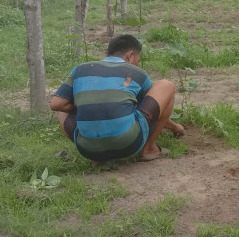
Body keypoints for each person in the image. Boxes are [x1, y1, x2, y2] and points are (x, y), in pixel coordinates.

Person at [50, 34, 185, 163]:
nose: (137, 65)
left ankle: (98, 158)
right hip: (129, 144)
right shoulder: (136, 73)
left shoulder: (80, 69)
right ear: (130, 55)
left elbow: (56, 104)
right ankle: (149, 148)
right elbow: (155, 110)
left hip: (87, 150)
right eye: (137, 61)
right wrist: (175, 127)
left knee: (63, 109)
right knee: (166, 86)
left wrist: (85, 104)